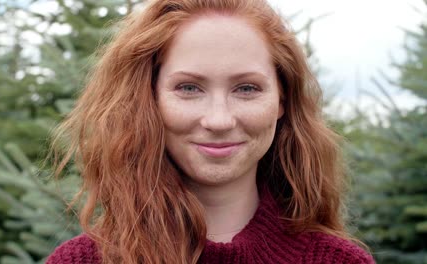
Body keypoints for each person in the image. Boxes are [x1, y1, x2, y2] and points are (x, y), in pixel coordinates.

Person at [46, 0, 375, 263]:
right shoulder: (82, 261)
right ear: (149, 99)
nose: (219, 120)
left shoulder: (338, 260)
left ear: (281, 101)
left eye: (246, 89)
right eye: (189, 88)